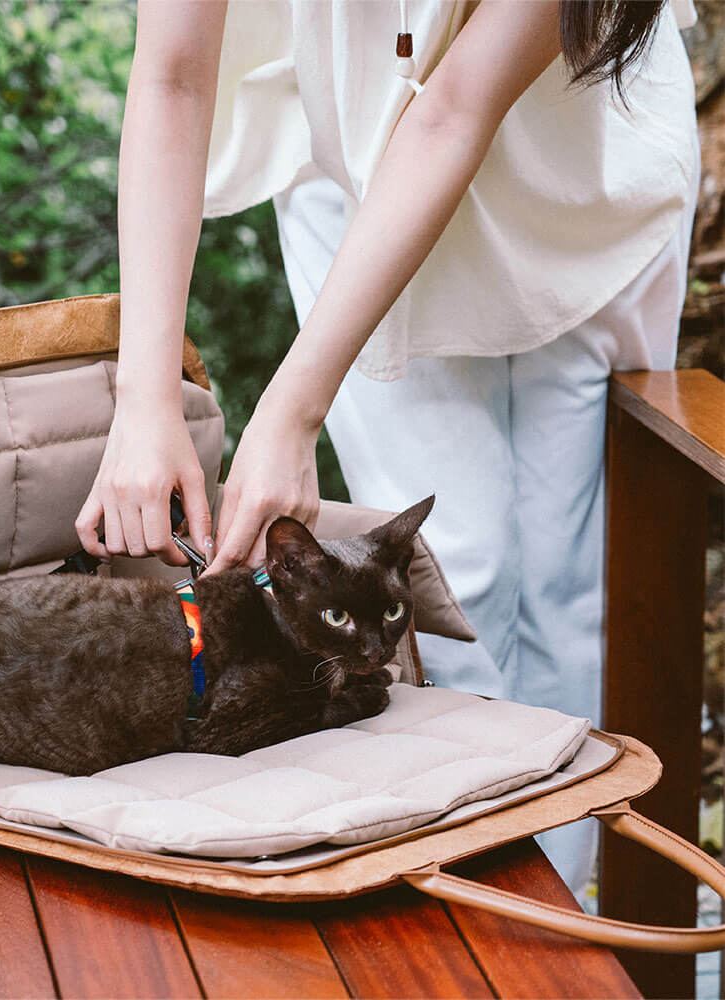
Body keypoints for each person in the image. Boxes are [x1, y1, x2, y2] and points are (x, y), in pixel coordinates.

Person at [75, 0, 701, 893]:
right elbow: (173, 73)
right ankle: (494, 912)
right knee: (463, 574)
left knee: (580, 588)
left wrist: (292, 415)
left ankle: (571, 928)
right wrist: (144, 399)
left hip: (583, 161)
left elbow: (454, 111)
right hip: (361, 166)